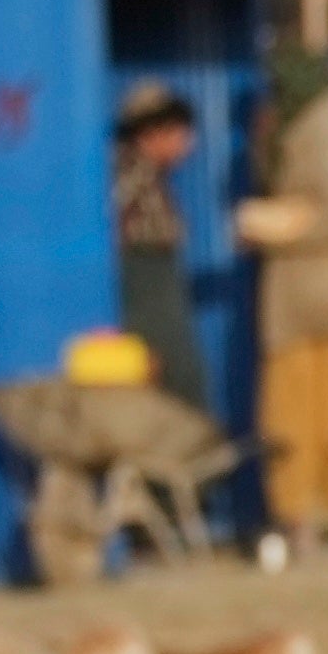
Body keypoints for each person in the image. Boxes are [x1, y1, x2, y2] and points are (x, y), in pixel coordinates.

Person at [104, 86, 216, 419]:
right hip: (146, 300)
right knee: (173, 397)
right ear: (151, 133)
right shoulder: (128, 176)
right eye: (179, 132)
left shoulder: (150, 177)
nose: (187, 143)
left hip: (161, 299)